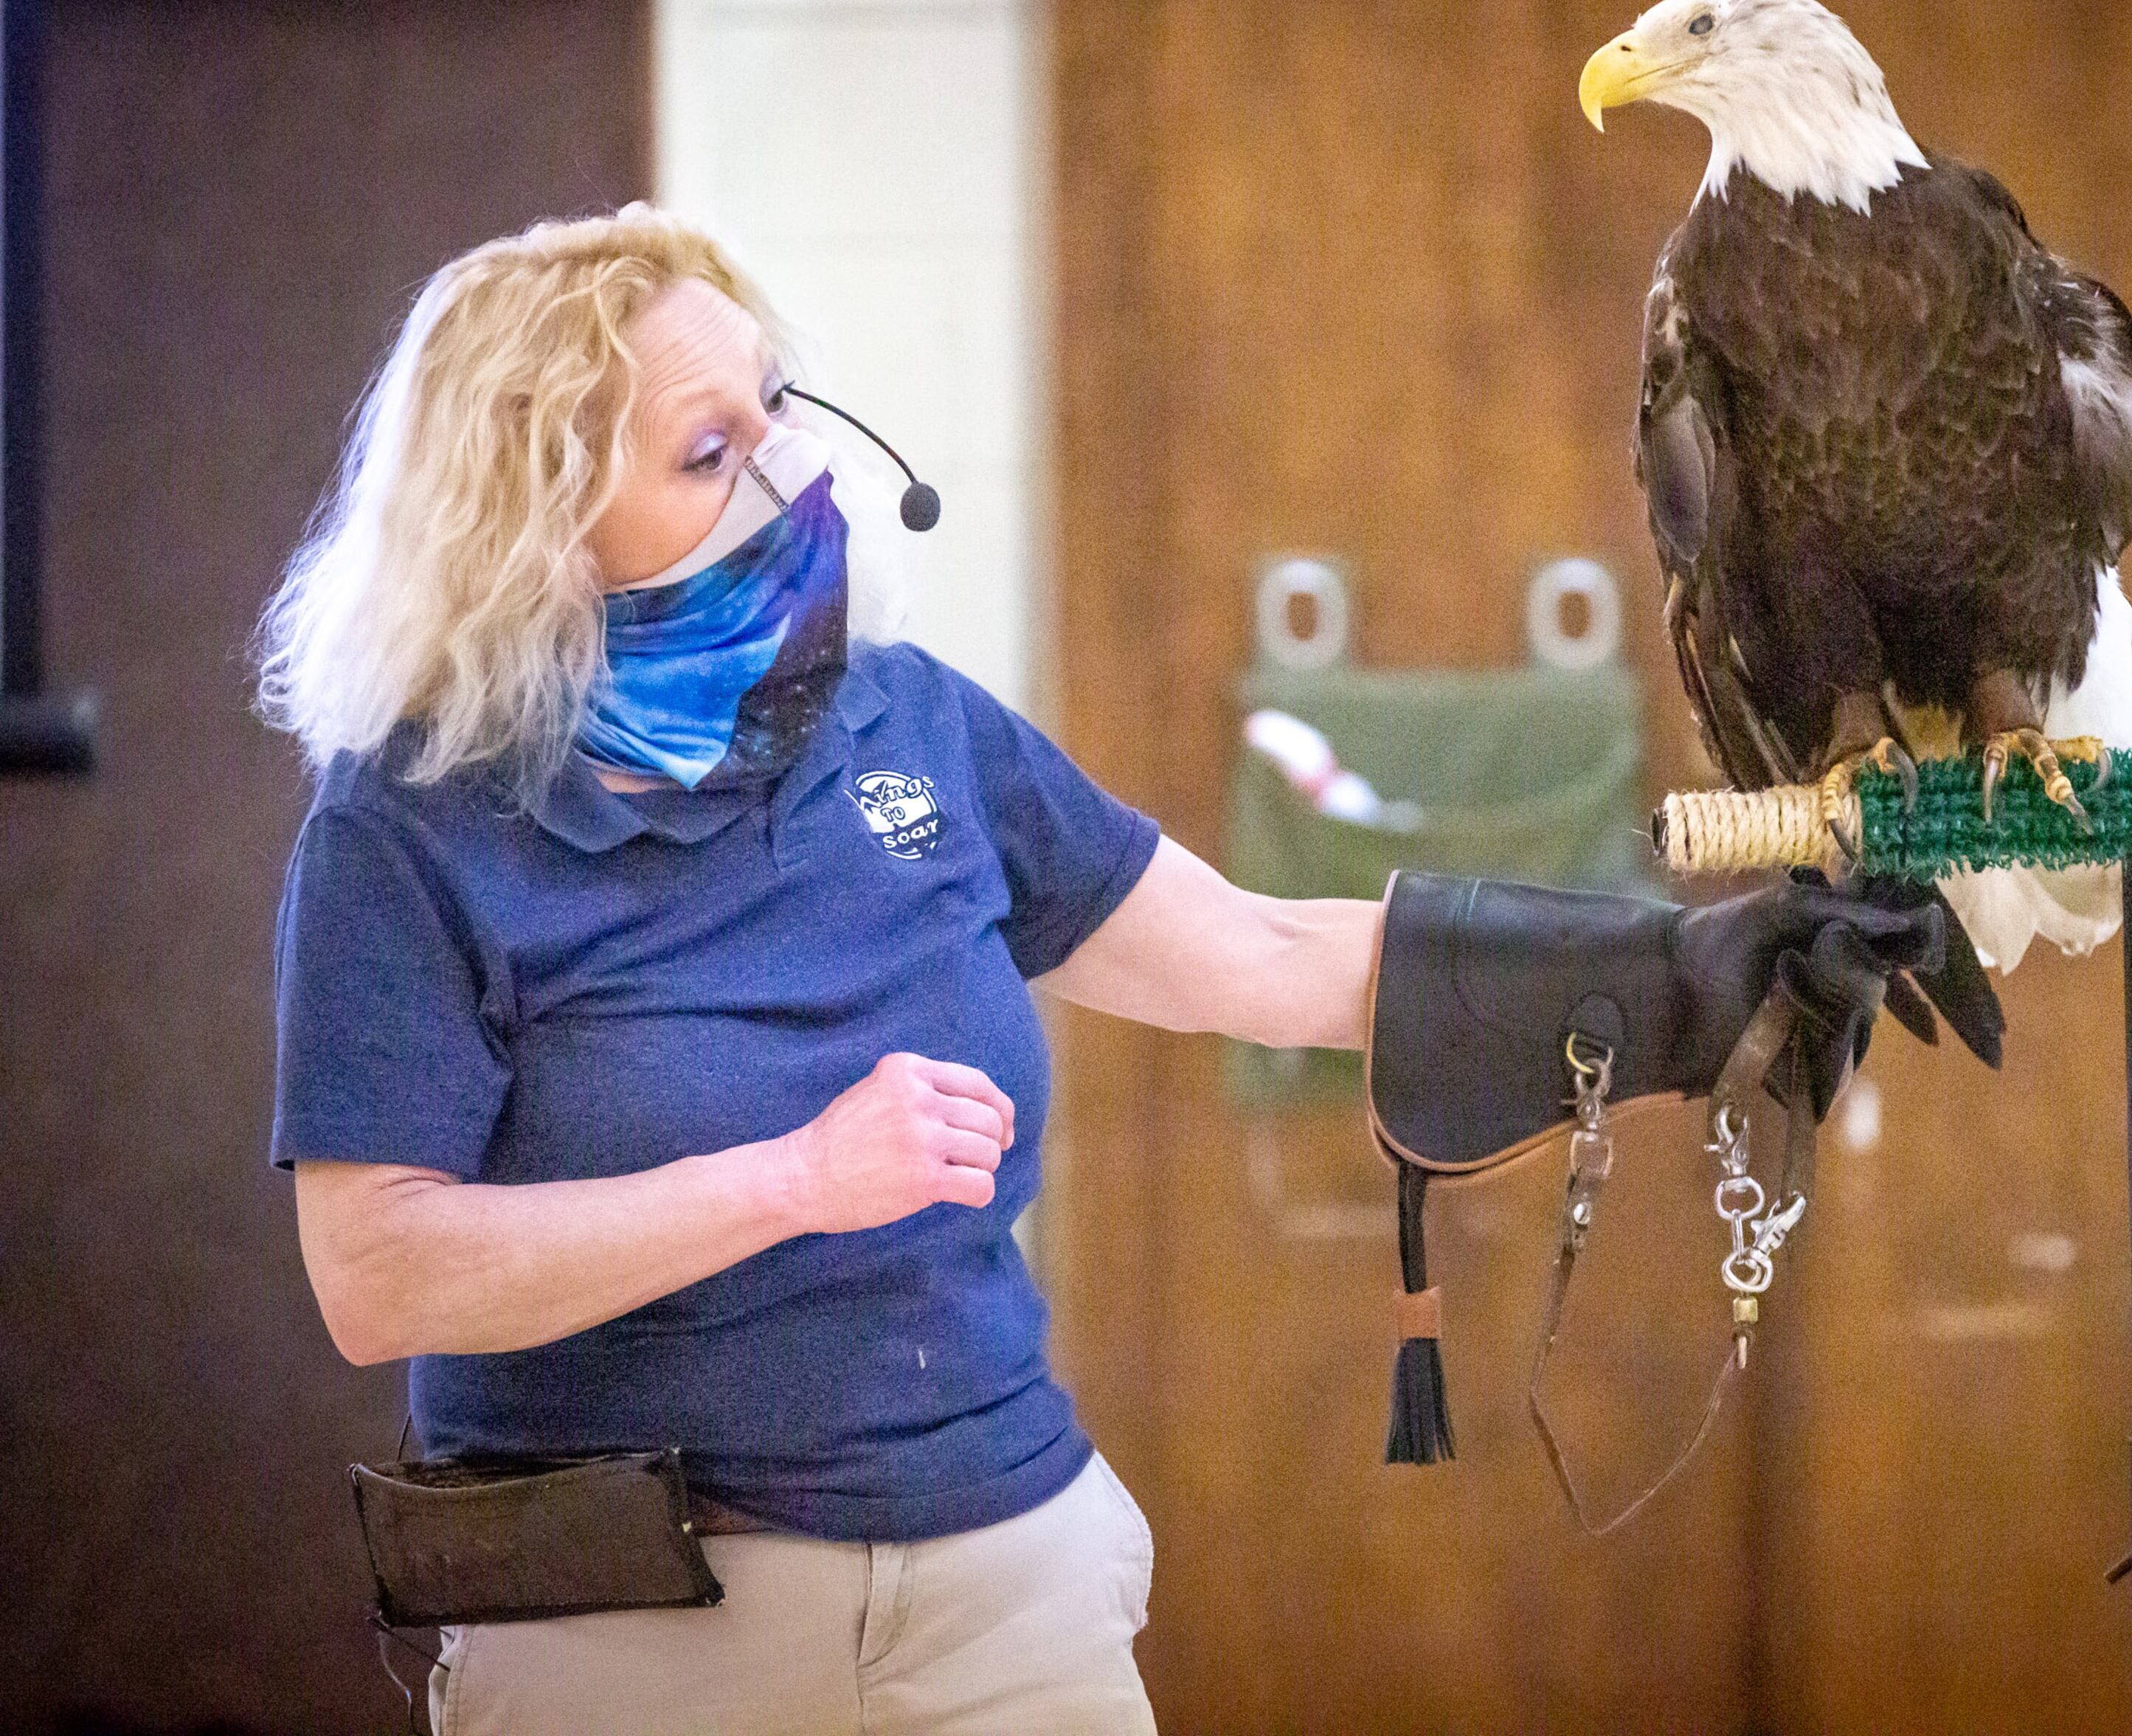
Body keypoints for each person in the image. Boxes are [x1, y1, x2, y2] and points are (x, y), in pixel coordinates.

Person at [257, 206, 1931, 1735]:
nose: (791, 487)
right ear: (537, 532)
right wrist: (788, 1178)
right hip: (634, 1625)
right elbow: (379, 1270)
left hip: (1002, 1579)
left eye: (779, 415)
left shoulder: (910, 723)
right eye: (708, 456)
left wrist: (1687, 975)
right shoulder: (409, 828)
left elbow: (1270, 957)